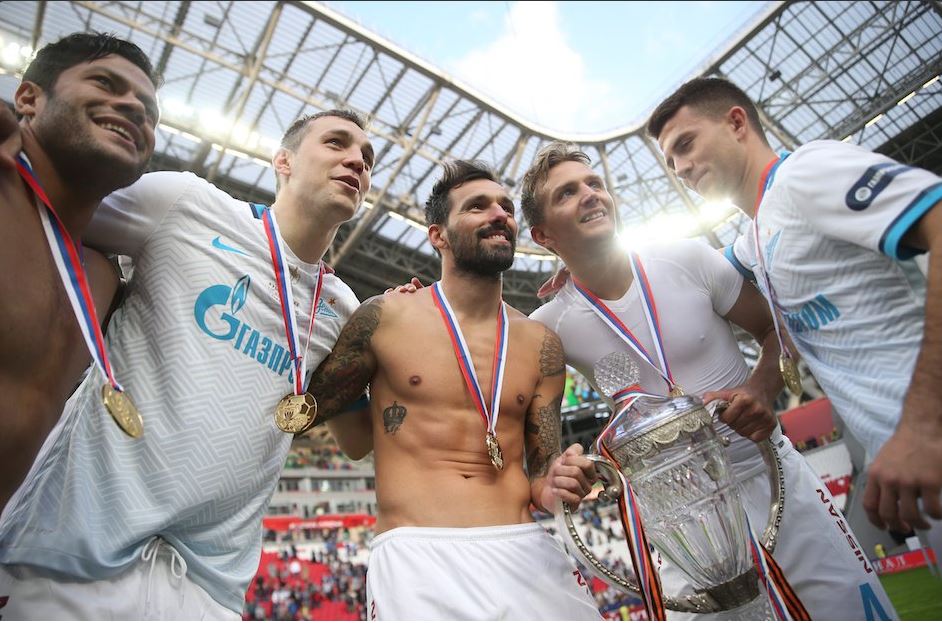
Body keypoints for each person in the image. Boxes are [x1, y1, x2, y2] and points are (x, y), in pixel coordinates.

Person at [0, 109, 375, 619]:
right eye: (336, 143)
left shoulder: (340, 309)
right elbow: (49, 211)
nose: (356, 159)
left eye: (367, 157)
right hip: (70, 560)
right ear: (282, 160)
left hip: (207, 591)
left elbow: (358, 441)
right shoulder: (185, 204)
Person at [520, 142, 897, 620]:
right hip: (680, 515)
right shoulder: (549, 324)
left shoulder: (686, 257)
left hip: (771, 476)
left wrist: (760, 391)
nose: (591, 195)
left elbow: (774, 331)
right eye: (567, 193)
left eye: (594, 184)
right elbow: (504, 373)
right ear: (543, 234)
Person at [648, 76, 942, 567]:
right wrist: (587, 262)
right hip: (913, 458)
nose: (679, 167)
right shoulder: (758, 238)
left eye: (685, 144)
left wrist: (922, 427)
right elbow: (683, 273)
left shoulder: (808, 171)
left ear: (737, 122)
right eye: (670, 161)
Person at [304, 160, 603, 620]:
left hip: (524, 550)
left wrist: (558, 482)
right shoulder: (385, 317)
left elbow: (541, 472)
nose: (498, 214)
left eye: (505, 206)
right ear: (437, 235)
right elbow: (312, 413)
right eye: (477, 207)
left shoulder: (542, 344)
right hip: (419, 557)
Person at [0, 32, 160, 512]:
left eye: (149, 110)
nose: (133, 107)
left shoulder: (101, 278)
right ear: (28, 97)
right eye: (105, 83)